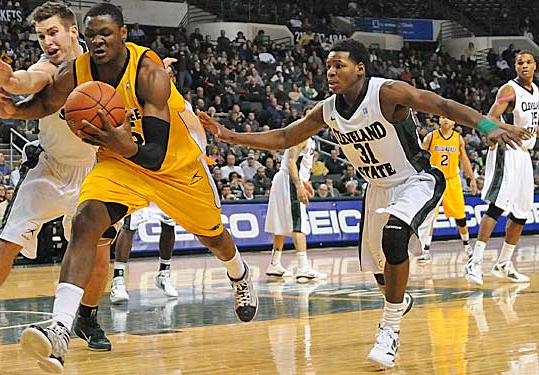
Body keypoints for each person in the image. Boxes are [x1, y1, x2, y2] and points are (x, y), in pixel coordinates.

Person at [197, 39, 528, 369]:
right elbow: (286, 137)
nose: (331, 71)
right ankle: (397, 300)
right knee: (379, 272)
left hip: (415, 180)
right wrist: (230, 136)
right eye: (328, 65)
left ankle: (390, 329)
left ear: (360, 68)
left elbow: (441, 105)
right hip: (376, 189)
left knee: (395, 237)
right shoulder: (327, 109)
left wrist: (487, 126)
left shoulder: (386, 93)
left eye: (339, 65)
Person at [0, 4, 258, 372]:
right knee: (86, 222)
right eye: (92, 34)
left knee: (214, 238)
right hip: (120, 164)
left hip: (173, 167)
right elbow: (46, 102)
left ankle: (239, 274)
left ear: (124, 33)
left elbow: (156, 153)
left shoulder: (150, 72)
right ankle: (60, 330)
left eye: (106, 34)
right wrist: (12, 110)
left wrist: (121, 142)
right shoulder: (77, 71)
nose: (98, 41)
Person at [0, 2, 118, 354]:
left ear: (73, 32)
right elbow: (30, 79)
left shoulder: (103, 63)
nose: (47, 41)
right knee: (7, 240)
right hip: (50, 167)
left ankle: (88, 318)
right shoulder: (49, 67)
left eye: (53, 32)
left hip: (96, 171)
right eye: (41, 36)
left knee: (99, 253)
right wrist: (9, 81)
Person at [464, 51, 538, 285]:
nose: (524, 66)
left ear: (535, 65)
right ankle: (474, 262)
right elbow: (489, 118)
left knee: (521, 213)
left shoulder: (536, 91)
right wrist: (512, 130)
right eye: (520, 63)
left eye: (528, 62)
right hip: (508, 149)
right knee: (497, 207)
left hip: (525, 153)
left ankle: (503, 263)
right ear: (514, 67)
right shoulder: (508, 90)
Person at [264, 137, 326, 281]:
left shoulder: (309, 139)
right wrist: (299, 185)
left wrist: (305, 181)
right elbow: (291, 161)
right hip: (290, 181)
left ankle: (275, 264)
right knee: (298, 222)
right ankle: (303, 268)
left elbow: (299, 164)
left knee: (281, 223)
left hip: (287, 179)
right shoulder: (301, 136)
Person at [418, 116, 477, 262]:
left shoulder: (458, 139)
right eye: (443, 117)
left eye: (449, 118)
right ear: (439, 120)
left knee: (460, 216)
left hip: (452, 180)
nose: (445, 120)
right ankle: (425, 250)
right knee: (429, 217)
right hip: (434, 181)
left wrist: (472, 178)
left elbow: (464, 160)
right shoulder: (431, 137)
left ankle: (467, 246)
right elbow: (420, 156)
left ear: (454, 122)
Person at [110, 203, 178, 303]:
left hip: (163, 189)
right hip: (140, 189)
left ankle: (164, 274)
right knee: (130, 225)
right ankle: (118, 280)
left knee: (169, 223)